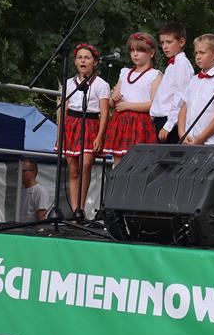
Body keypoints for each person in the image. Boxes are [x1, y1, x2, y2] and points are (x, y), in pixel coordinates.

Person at [58, 42, 110, 220]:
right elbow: (63, 109)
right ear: (75, 61)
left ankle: (81, 205)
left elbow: (104, 112)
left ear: (94, 62)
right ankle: (76, 211)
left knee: (86, 163)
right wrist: (60, 134)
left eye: (87, 58)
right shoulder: (68, 83)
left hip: (90, 124)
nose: (83, 61)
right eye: (79, 57)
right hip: (72, 124)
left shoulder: (101, 84)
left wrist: (100, 136)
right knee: (73, 169)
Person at [105, 31, 160, 165]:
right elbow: (111, 102)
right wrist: (114, 98)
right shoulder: (125, 73)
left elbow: (155, 104)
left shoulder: (155, 75)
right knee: (118, 163)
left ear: (151, 53)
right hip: (121, 122)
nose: (135, 54)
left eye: (140, 50)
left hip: (141, 123)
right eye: (132, 50)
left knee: (137, 163)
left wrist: (128, 106)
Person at [179, 34, 214, 146]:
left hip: (212, 143)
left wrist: (200, 139)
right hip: (189, 141)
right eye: (196, 53)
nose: (198, 57)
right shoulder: (193, 80)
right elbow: (184, 108)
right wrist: (182, 133)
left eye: (202, 53)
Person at [151, 22, 193, 143]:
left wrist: (168, 125)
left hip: (170, 122)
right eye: (162, 43)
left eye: (169, 42)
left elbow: (181, 97)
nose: (165, 46)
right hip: (162, 120)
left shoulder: (182, 64)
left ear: (181, 42)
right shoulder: (172, 65)